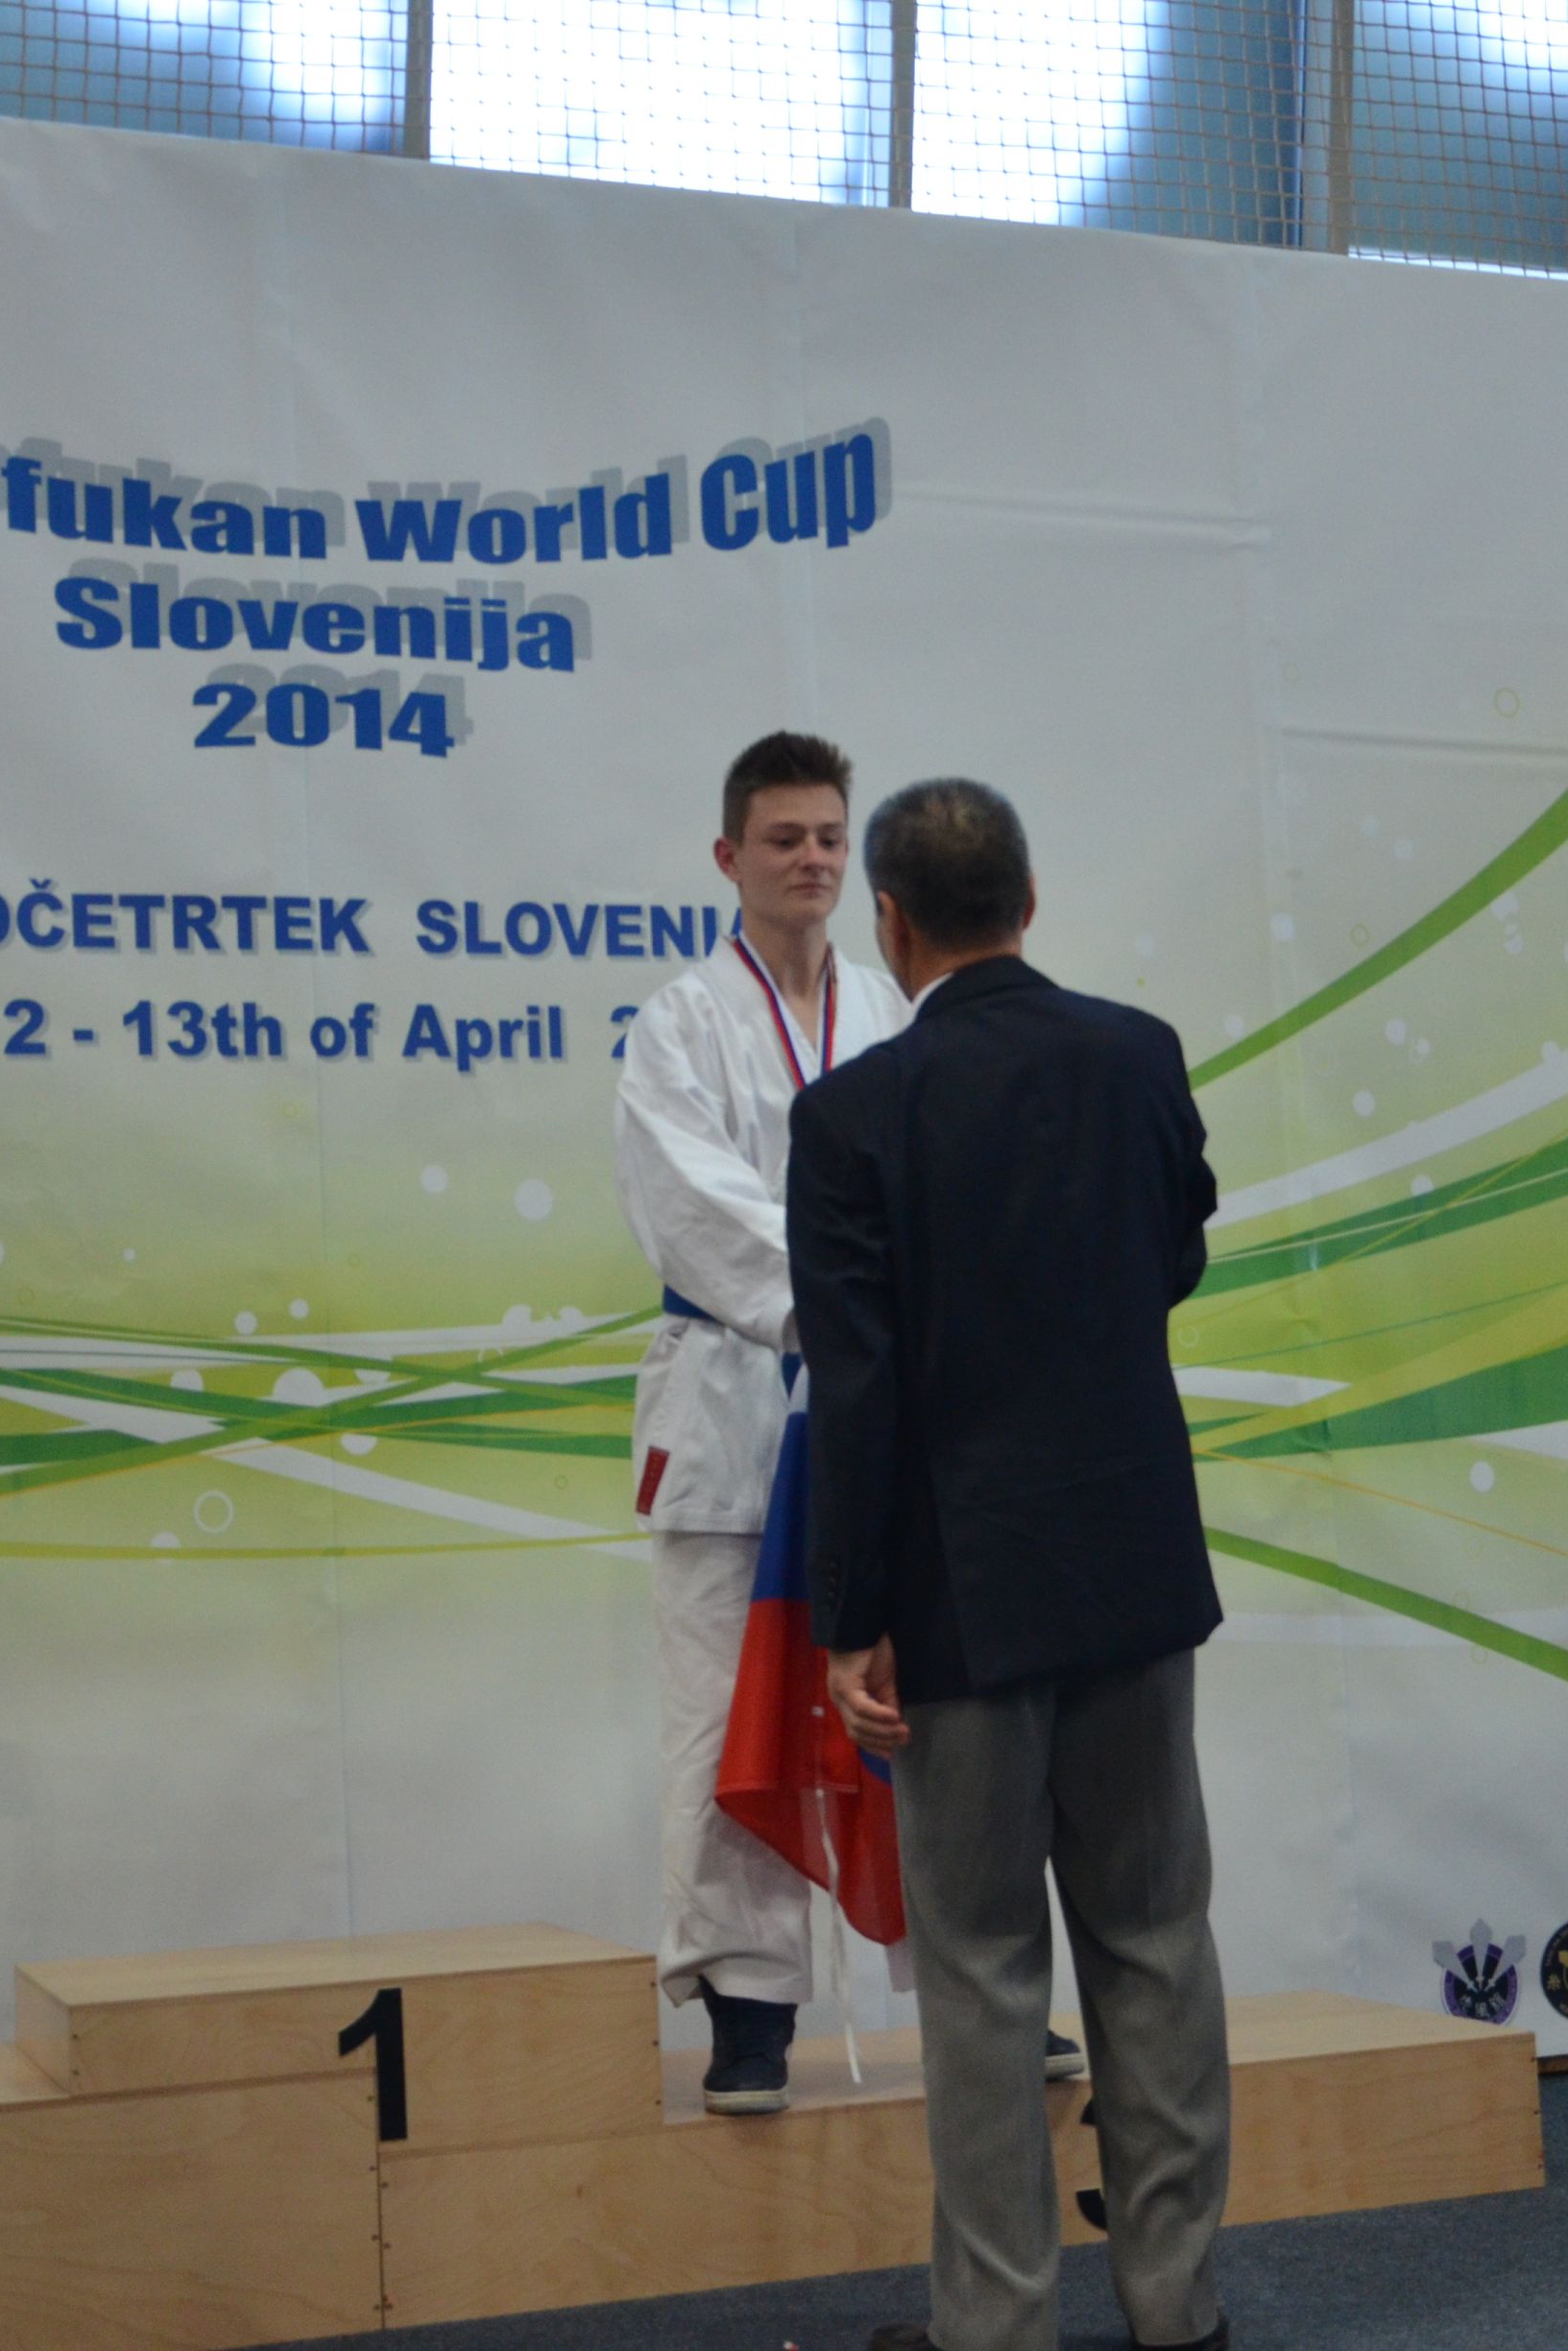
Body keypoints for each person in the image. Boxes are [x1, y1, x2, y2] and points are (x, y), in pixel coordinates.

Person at [791, 779, 1233, 2351]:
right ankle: (1179, 2311)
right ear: (1030, 902)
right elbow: (1175, 1255)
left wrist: (851, 1618)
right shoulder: (1140, 1054)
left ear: (888, 924)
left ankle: (997, 2326)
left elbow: (857, 1389)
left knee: (982, 1972)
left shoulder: (850, 1117)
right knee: (1157, 1939)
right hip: (1133, 1571)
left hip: (957, 1601)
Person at [613, 731, 912, 2112]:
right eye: (784, 838)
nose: (811, 859)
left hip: (888, 1400)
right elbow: (693, 1202)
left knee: (923, 1695)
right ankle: (747, 2004)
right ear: (728, 857)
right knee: (719, 1706)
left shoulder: (896, 1013)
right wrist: (845, 1312)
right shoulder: (678, 1024)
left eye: (830, 838)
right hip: (737, 1394)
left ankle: (972, 1976)